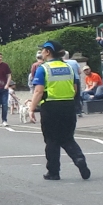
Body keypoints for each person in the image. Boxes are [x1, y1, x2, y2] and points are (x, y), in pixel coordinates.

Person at [30, 41, 90, 181]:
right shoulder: (69, 67)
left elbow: (38, 91)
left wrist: (31, 108)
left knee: (52, 140)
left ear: (48, 52)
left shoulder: (43, 68)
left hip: (50, 107)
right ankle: (79, 158)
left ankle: (53, 172)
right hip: (68, 106)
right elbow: (75, 89)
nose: (41, 52)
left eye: (43, 50)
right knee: (67, 137)